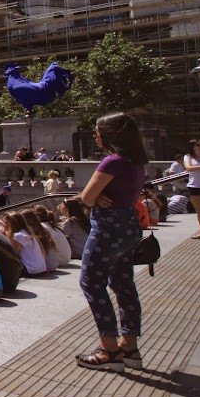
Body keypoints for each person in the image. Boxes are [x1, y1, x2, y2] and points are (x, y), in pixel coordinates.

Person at [75, 113, 148, 371]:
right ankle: (130, 346)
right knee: (124, 284)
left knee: (91, 283)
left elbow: (86, 197)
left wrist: (95, 197)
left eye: (97, 131)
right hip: (129, 225)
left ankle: (109, 349)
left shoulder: (112, 162)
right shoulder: (136, 161)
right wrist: (99, 196)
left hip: (108, 228)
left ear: (109, 134)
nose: (95, 135)